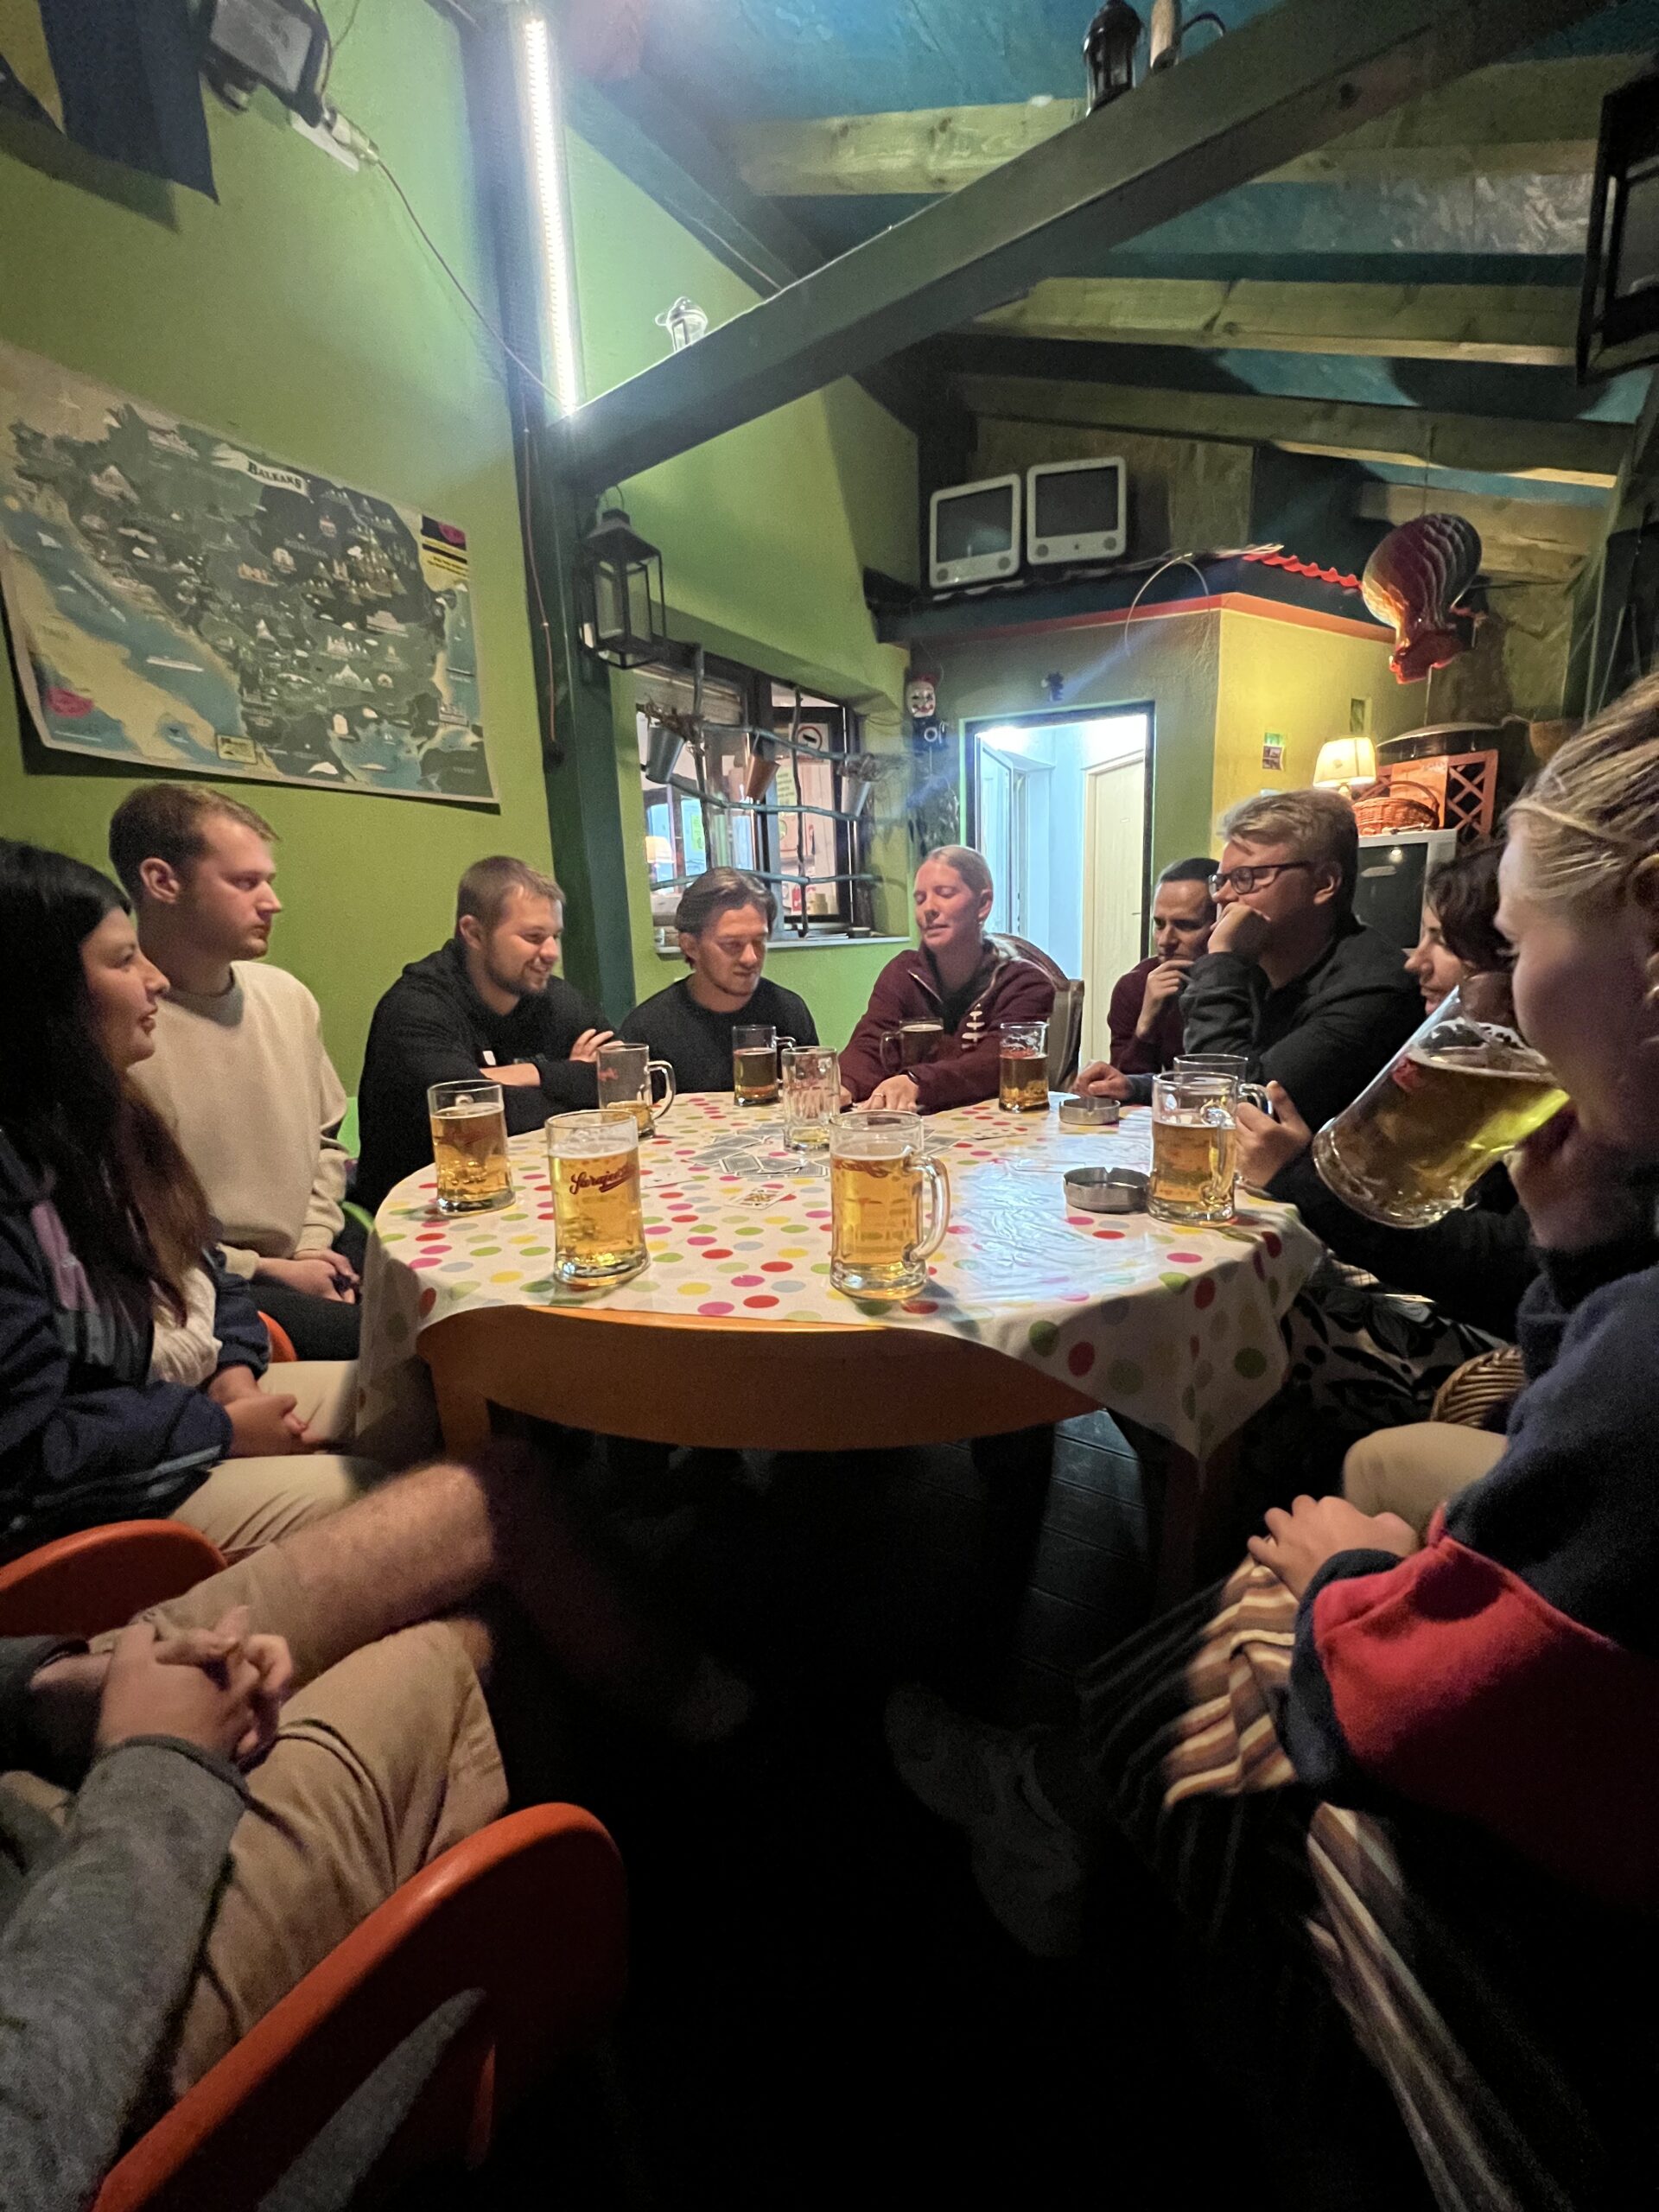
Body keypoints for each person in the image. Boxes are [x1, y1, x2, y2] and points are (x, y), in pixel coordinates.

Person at [889, 672, 1659, 2202]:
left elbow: (1276, 1151)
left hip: (1582, 2027)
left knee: (1258, 1585)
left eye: (1509, 940)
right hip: (1489, 1399)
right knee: (1251, 1514)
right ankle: (1065, 1793)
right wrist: (1576, 1243)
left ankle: (1190, 2041)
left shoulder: (1372, 995)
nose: (1473, 983)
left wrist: (1339, 1590)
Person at [0, 1589, 505, 2208]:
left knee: (448, 1519)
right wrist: (157, 1761)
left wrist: (39, 1691)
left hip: (43, 1826)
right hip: (72, 2036)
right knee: (458, 1645)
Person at [0, 841, 374, 1558]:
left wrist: (233, 1381)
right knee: (387, 1486)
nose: (155, 981)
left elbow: (200, 1266)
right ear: (37, 992)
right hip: (89, 1507)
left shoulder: (109, 1116)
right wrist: (221, 1429)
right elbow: (27, 1452)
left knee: (417, 1389)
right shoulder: (17, 1179)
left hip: (188, 1404)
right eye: (120, 961)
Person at [1229, 843, 1536, 1478]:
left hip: (1509, 1356)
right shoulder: (1483, 1053)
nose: (1412, 963)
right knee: (1258, 1290)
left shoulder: (1558, 1083)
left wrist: (1296, 1177)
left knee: (1245, 1327)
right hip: (1444, 1297)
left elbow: (1496, 1266)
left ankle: (1232, 1529)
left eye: (1443, 944)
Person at [109, 785, 361, 1363]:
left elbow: (328, 1140)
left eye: (267, 880)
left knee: (457, 1309)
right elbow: (135, 1214)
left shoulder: (288, 998)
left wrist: (312, 1246)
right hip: (212, 1281)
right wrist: (270, 1268)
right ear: (161, 881)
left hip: (312, 1244)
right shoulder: (122, 1026)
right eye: (245, 883)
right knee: (397, 1344)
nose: (272, 902)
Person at [1077, 790, 1422, 1130]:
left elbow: (1230, 1108)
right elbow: (1245, 1075)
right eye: (1222, 881)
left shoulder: (1373, 989)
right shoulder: (1262, 964)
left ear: (1324, 883)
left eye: (1246, 878)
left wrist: (1222, 959)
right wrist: (1137, 1086)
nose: (1223, 896)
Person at [354, 857, 610, 1213]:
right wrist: (574, 1077)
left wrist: (524, 1076)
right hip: (427, 1215)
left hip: (530, 1197)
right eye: (533, 937)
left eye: (555, 937)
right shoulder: (415, 1009)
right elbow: (478, 1123)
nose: (551, 953)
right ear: (473, 932)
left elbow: (627, 1076)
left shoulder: (553, 997)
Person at [840, 847, 1054, 1111]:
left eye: (944, 894)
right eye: (920, 899)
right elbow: (871, 1042)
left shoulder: (1024, 981)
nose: (929, 908)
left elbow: (995, 1063)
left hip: (1001, 1136)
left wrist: (917, 1082)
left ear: (983, 904)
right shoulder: (902, 972)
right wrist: (842, 1083)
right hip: (917, 1130)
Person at [620, 868, 817, 1092]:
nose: (751, 958)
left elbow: (811, 1107)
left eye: (759, 941)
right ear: (690, 946)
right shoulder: (648, 1030)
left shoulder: (788, 1012)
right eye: (732, 944)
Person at [1105, 856, 1216, 1074]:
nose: (1165, 940)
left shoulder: (1250, 985)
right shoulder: (1136, 986)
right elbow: (1120, 1088)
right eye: (1159, 924)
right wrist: (1145, 1029)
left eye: (1185, 925)